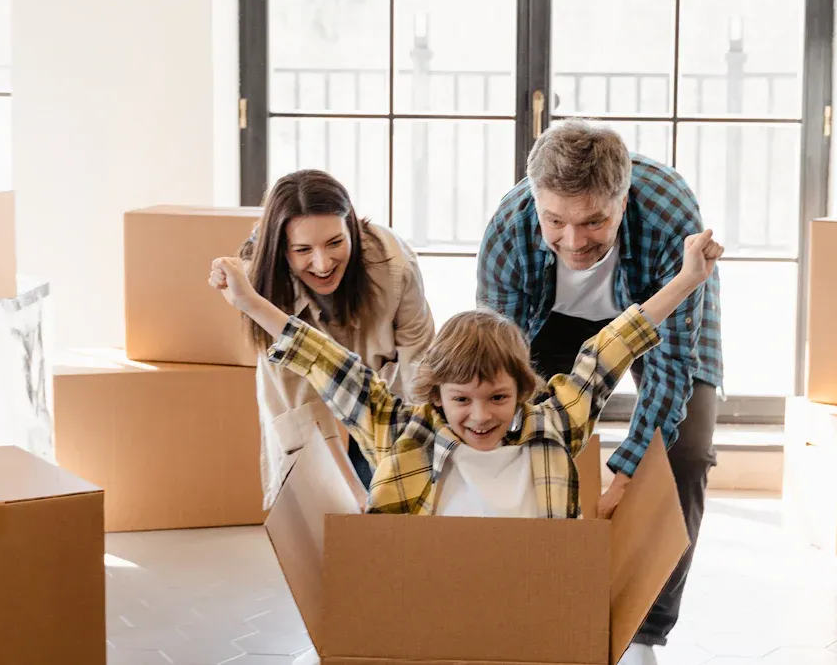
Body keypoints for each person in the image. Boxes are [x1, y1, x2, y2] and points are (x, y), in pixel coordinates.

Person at [207, 230, 722, 518]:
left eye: (498, 398)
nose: (480, 417)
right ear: (436, 396)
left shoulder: (554, 425)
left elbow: (610, 349)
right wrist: (250, 303)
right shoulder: (403, 433)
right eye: (461, 400)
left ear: (523, 391)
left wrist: (687, 279)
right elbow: (326, 360)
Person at [476, 120, 723, 664]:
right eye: (555, 221)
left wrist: (628, 470)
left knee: (683, 454)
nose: (573, 242)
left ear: (622, 200)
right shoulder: (508, 230)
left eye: (594, 221)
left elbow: (672, 364)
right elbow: (499, 365)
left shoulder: (669, 217)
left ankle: (643, 631)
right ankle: (544, 603)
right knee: (529, 442)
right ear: (535, 202)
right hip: (550, 322)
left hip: (656, 313)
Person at [237, 169, 434, 501]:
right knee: (327, 501)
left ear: (351, 228)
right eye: (303, 250)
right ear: (282, 251)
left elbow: (420, 364)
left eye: (335, 242)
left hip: (382, 397)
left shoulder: (395, 265)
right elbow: (304, 406)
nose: (323, 263)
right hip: (309, 406)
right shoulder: (263, 289)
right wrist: (353, 496)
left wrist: (417, 458)